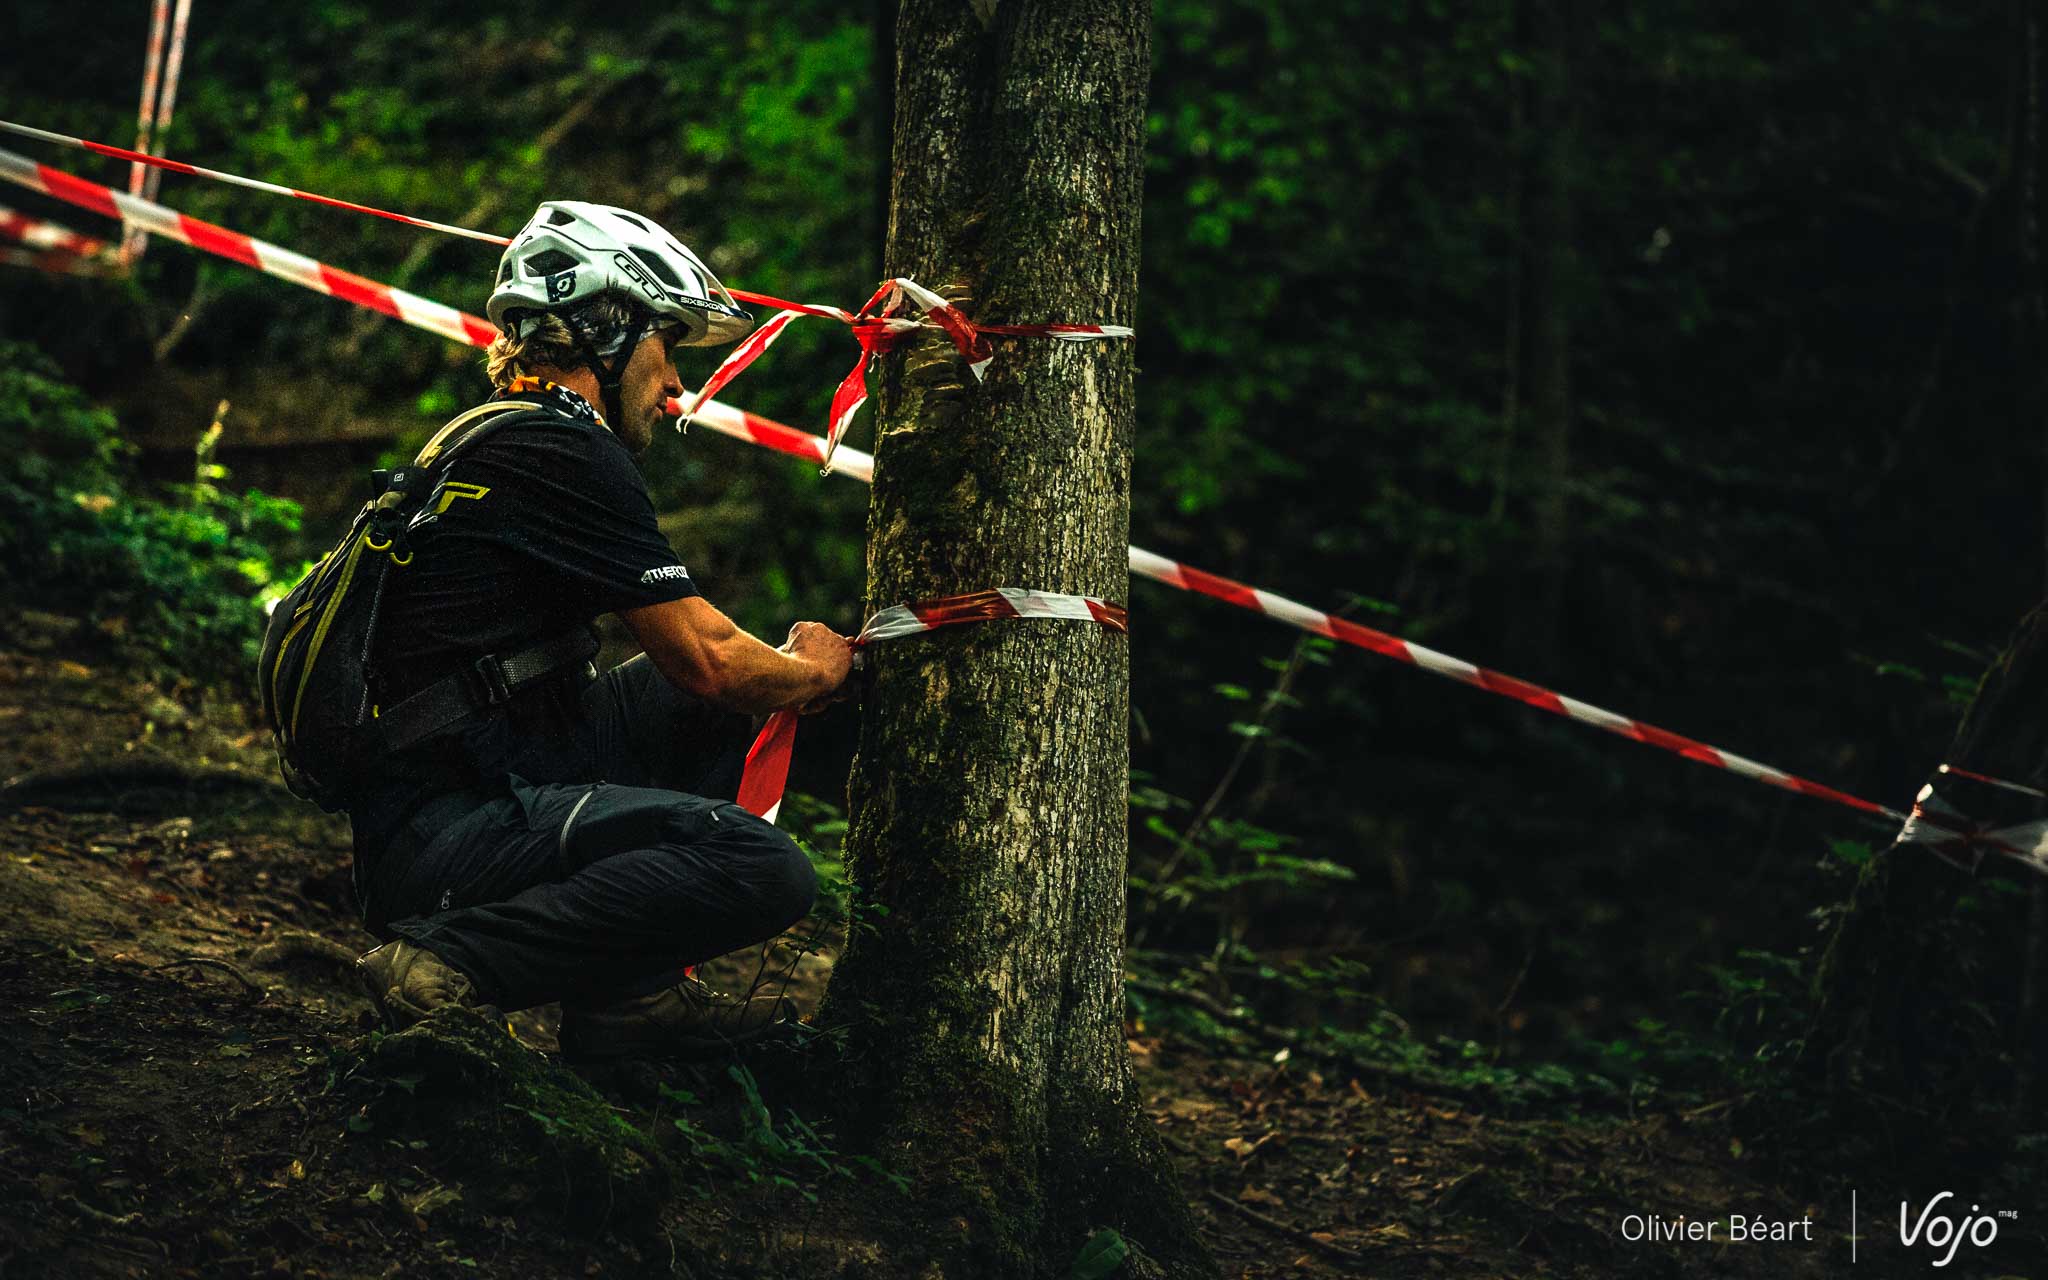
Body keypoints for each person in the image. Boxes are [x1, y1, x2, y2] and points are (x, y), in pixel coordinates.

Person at [350, 200, 853, 1059]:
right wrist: (816, 673)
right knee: (764, 869)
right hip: (450, 839)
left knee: (683, 702)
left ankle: (630, 1004)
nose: (676, 388)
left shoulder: (496, 436)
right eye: (666, 350)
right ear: (604, 334)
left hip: (449, 798)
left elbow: (691, 671)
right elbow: (712, 659)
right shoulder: (565, 453)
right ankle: (446, 960)